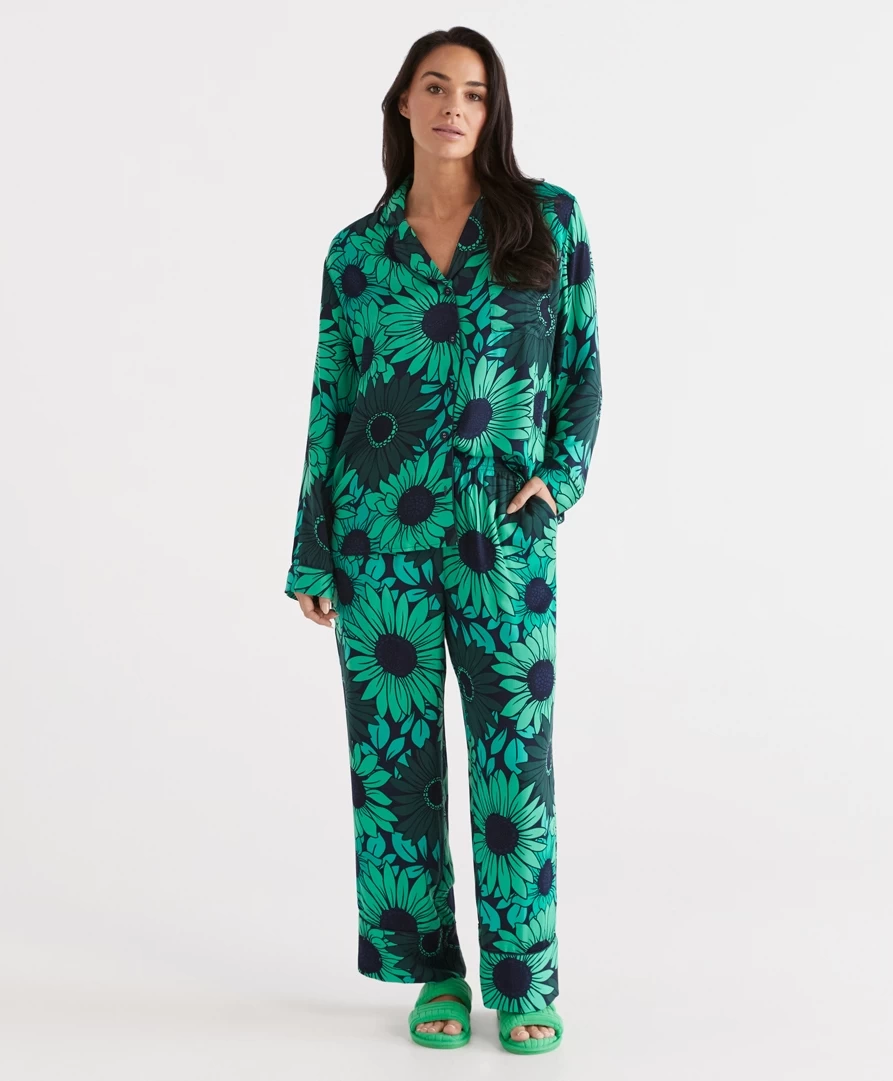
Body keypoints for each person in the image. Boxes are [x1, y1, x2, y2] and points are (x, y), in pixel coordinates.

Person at [284, 25, 600, 1055]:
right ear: (404, 104)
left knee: (514, 757)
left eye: (473, 91)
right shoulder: (355, 253)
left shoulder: (546, 222)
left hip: (503, 543)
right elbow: (330, 400)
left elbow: (583, 371)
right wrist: (312, 547)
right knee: (394, 766)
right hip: (377, 542)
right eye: (434, 86)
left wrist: (558, 481)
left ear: (491, 111)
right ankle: (435, 973)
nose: (453, 106)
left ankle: (524, 978)